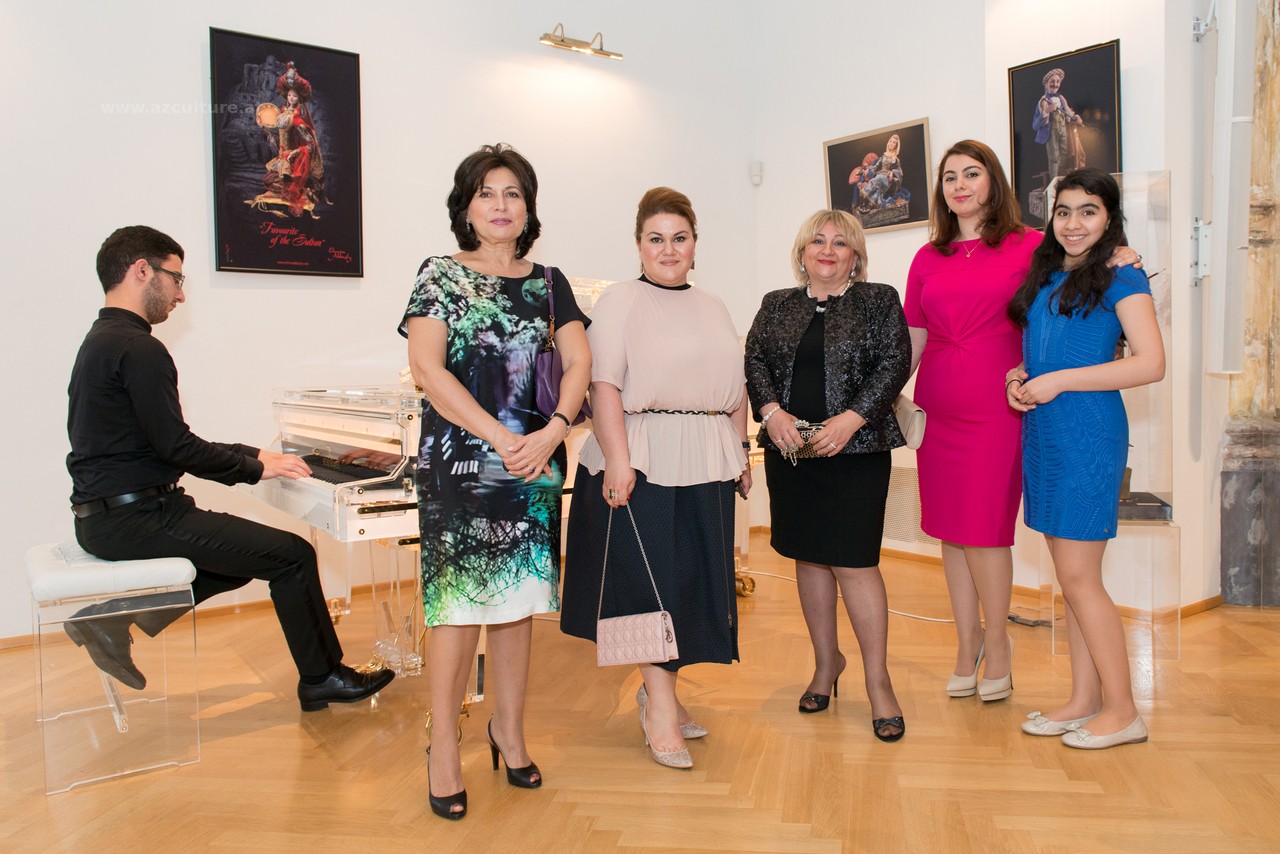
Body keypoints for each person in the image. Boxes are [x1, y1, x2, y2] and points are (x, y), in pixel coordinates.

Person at [66, 225, 393, 713]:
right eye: (176, 279)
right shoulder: (139, 348)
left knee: (244, 561)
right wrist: (254, 469)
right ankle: (322, 677)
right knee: (292, 556)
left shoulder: (102, 340)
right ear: (142, 271)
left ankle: (112, 621)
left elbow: (160, 442)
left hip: (107, 516)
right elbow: (177, 447)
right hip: (136, 518)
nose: (180, 295)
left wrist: (256, 455)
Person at [903, 141, 1139, 705]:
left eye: (972, 173)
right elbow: (913, 339)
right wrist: (883, 399)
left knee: (984, 529)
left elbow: (1086, 263)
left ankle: (999, 647)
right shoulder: (926, 256)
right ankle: (967, 645)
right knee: (950, 531)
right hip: (939, 403)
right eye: (950, 177)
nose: (960, 185)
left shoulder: (1032, 244)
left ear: (994, 181)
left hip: (1002, 404)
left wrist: (1123, 253)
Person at [400, 143, 590, 819]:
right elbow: (428, 369)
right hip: (462, 462)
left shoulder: (551, 283)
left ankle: (508, 730)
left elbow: (578, 363)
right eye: (486, 193)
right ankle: (443, 747)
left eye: (513, 193)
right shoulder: (440, 274)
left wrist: (554, 431)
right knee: (457, 608)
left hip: (534, 461)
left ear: (529, 208)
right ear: (466, 206)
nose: (501, 205)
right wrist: (501, 436)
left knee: (517, 601)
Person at [560, 187, 751, 770]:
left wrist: (742, 451)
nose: (668, 249)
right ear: (638, 246)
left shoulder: (713, 305)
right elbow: (604, 386)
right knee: (651, 585)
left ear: (695, 244)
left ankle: (661, 693)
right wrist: (619, 460)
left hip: (708, 457)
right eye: (655, 239)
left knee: (691, 582)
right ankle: (660, 709)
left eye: (679, 238)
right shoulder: (621, 300)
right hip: (642, 455)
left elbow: (735, 388)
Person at [1006, 167, 1163, 749]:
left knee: (1079, 577)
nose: (1073, 223)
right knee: (1071, 580)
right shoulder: (1049, 273)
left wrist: (1058, 381)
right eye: (1064, 211)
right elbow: (1043, 355)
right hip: (1045, 431)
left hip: (1087, 433)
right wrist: (1019, 377)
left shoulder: (1123, 274)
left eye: (1088, 211)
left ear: (1110, 217)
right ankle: (1084, 700)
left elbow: (1150, 363)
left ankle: (1123, 711)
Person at [745, 210, 911, 742]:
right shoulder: (776, 304)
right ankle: (825, 664)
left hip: (857, 450)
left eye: (841, 242)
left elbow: (895, 362)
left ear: (855, 256)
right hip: (791, 452)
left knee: (856, 563)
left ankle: (879, 682)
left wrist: (852, 418)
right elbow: (755, 361)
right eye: (818, 240)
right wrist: (771, 413)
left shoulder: (878, 299)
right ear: (802, 252)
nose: (828, 249)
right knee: (809, 557)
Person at [1032, 68, 1084, 180]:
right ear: (1046, 84)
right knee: (1054, 157)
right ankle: (1054, 180)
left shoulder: (1061, 98)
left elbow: (1068, 113)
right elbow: (1035, 125)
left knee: (1064, 154)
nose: (1055, 84)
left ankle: (1060, 178)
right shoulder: (1043, 101)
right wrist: (1046, 111)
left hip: (1063, 130)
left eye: (1057, 81)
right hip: (1052, 131)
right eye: (1052, 81)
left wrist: (1075, 117)